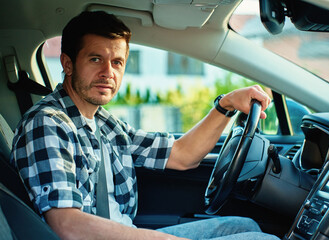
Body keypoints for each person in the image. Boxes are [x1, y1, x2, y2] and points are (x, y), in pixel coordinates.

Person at [10, 11, 279, 240]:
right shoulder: (47, 123)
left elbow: (181, 155)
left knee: (245, 226)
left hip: (124, 231)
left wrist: (227, 105)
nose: (108, 72)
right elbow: (66, 225)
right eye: (95, 59)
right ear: (68, 64)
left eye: (117, 62)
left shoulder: (103, 122)